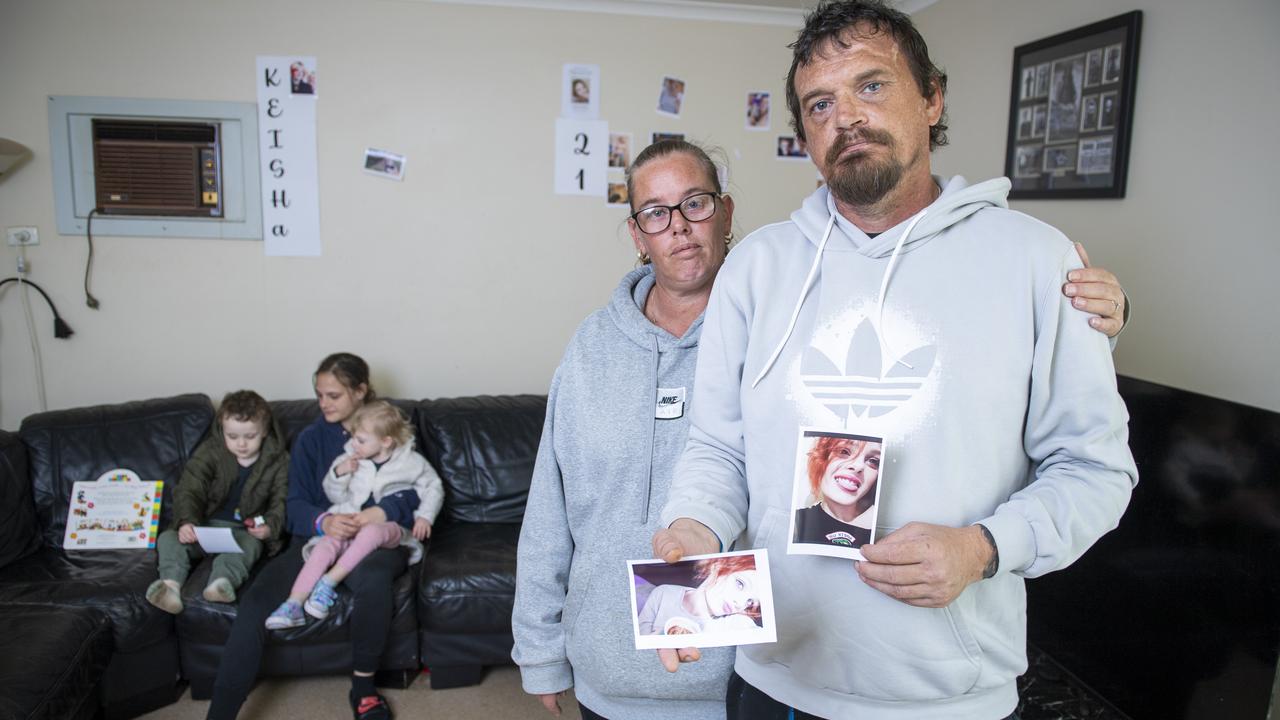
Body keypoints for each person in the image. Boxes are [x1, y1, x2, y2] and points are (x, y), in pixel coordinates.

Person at [652, 3, 1139, 719]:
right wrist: (693, 526)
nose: (845, 116)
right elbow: (717, 448)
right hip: (773, 680)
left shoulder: (1038, 261)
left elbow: (1097, 470)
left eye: (871, 86)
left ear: (932, 96)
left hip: (948, 699)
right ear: (805, 135)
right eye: (821, 104)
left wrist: (983, 547)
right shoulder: (756, 268)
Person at [207, 353, 409, 720]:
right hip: (317, 542)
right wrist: (322, 522)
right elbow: (294, 503)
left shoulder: (391, 429)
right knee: (255, 602)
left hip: (375, 541)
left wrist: (376, 516)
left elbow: (414, 493)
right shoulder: (311, 439)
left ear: (360, 391)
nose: (323, 404)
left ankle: (363, 691)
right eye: (319, 395)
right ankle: (220, 713)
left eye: (333, 395)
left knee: (376, 580)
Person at [265, 401, 442, 629]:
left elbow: (433, 486)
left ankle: (328, 583)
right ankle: (294, 604)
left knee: (372, 531)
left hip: (391, 529)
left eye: (361, 440)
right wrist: (339, 473)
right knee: (325, 545)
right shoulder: (351, 458)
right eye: (354, 438)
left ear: (386, 441)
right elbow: (334, 495)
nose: (353, 444)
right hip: (353, 520)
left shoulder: (411, 463)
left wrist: (425, 516)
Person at [147, 390, 288, 614]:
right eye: (232, 436)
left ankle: (221, 583)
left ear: (264, 432)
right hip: (202, 526)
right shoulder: (210, 452)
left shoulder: (278, 459)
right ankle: (170, 587)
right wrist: (186, 522)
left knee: (250, 547)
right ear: (222, 430)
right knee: (168, 538)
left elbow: (281, 500)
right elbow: (189, 489)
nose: (241, 444)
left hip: (241, 532)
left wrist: (270, 526)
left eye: (250, 437)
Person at [636, 555, 763, 636]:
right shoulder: (664, 593)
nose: (740, 604)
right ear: (718, 567)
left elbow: (748, 628)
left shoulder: (729, 625)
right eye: (740, 584)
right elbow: (642, 634)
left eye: (750, 602)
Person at [792, 434, 880, 549]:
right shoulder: (794, 521)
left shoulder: (883, 531)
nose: (858, 466)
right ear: (822, 459)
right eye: (844, 451)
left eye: (873, 461)